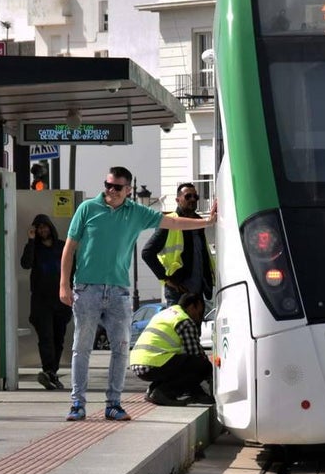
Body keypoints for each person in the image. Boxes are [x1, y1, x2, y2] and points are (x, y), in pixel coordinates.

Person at [59, 166, 216, 422]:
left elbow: (172, 221)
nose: (110, 190)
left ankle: (114, 404)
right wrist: (64, 284)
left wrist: (208, 221)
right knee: (82, 347)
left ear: (128, 190)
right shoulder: (87, 209)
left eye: (117, 187)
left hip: (119, 291)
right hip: (87, 288)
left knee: (121, 349)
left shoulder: (136, 213)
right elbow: (70, 247)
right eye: (107, 185)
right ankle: (77, 403)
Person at [129, 293, 214, 406]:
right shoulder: (184, 320)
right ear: (194, 306)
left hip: (137, 364)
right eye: (200, 313)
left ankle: (152, 390)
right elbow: (196, 354)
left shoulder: (164, 313)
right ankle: (163, 392)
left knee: (179, 361)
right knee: (201, 365)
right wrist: (210, 372)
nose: (199, 318)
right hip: (153, 363)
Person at [142, 183, 215, 307]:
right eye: (188, 196)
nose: (192, 199)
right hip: (179, 293)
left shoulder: (200, 222)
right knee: (177, 325)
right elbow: (147, 253)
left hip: (198, 293)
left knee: (194, 327)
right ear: (177, 200)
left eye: (195, 197)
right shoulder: (169, 222)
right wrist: (167, 279)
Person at [20, 213, 71, 390]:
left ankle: (52, 373)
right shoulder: (34, 248)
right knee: (46, 337)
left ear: (50, 227)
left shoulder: (61, 246)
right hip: (41, 301)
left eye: (45, 227)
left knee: (59, 338)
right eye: (39, 227)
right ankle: (48, 370)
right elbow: (25, 264)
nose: (42, 230)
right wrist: (31, 241)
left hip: (61, 300)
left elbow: (72, 268)